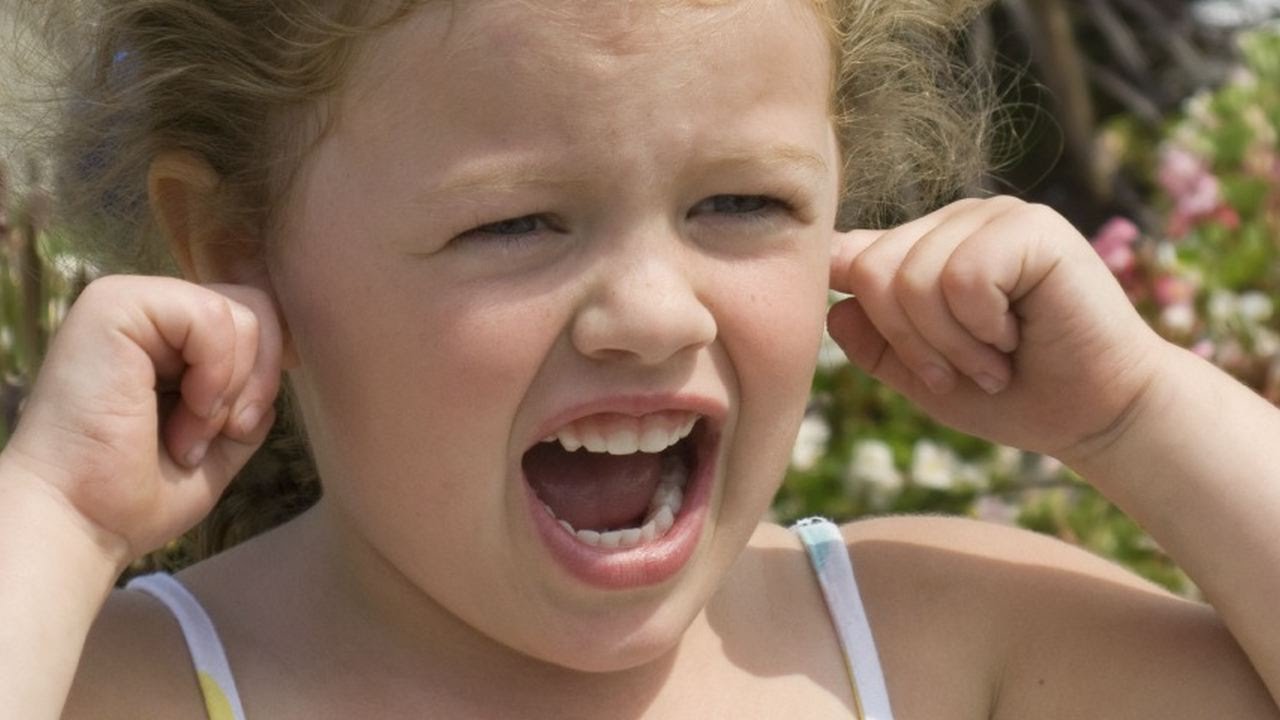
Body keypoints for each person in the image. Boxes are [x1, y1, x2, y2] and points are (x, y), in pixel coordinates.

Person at [1, 0, 1278, 717]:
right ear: (237, 247)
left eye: (742, 204)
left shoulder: (944, 643)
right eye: (512, 224)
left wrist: (1131, 415)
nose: (656, 316)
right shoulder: (128, 688)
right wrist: (55, 519)